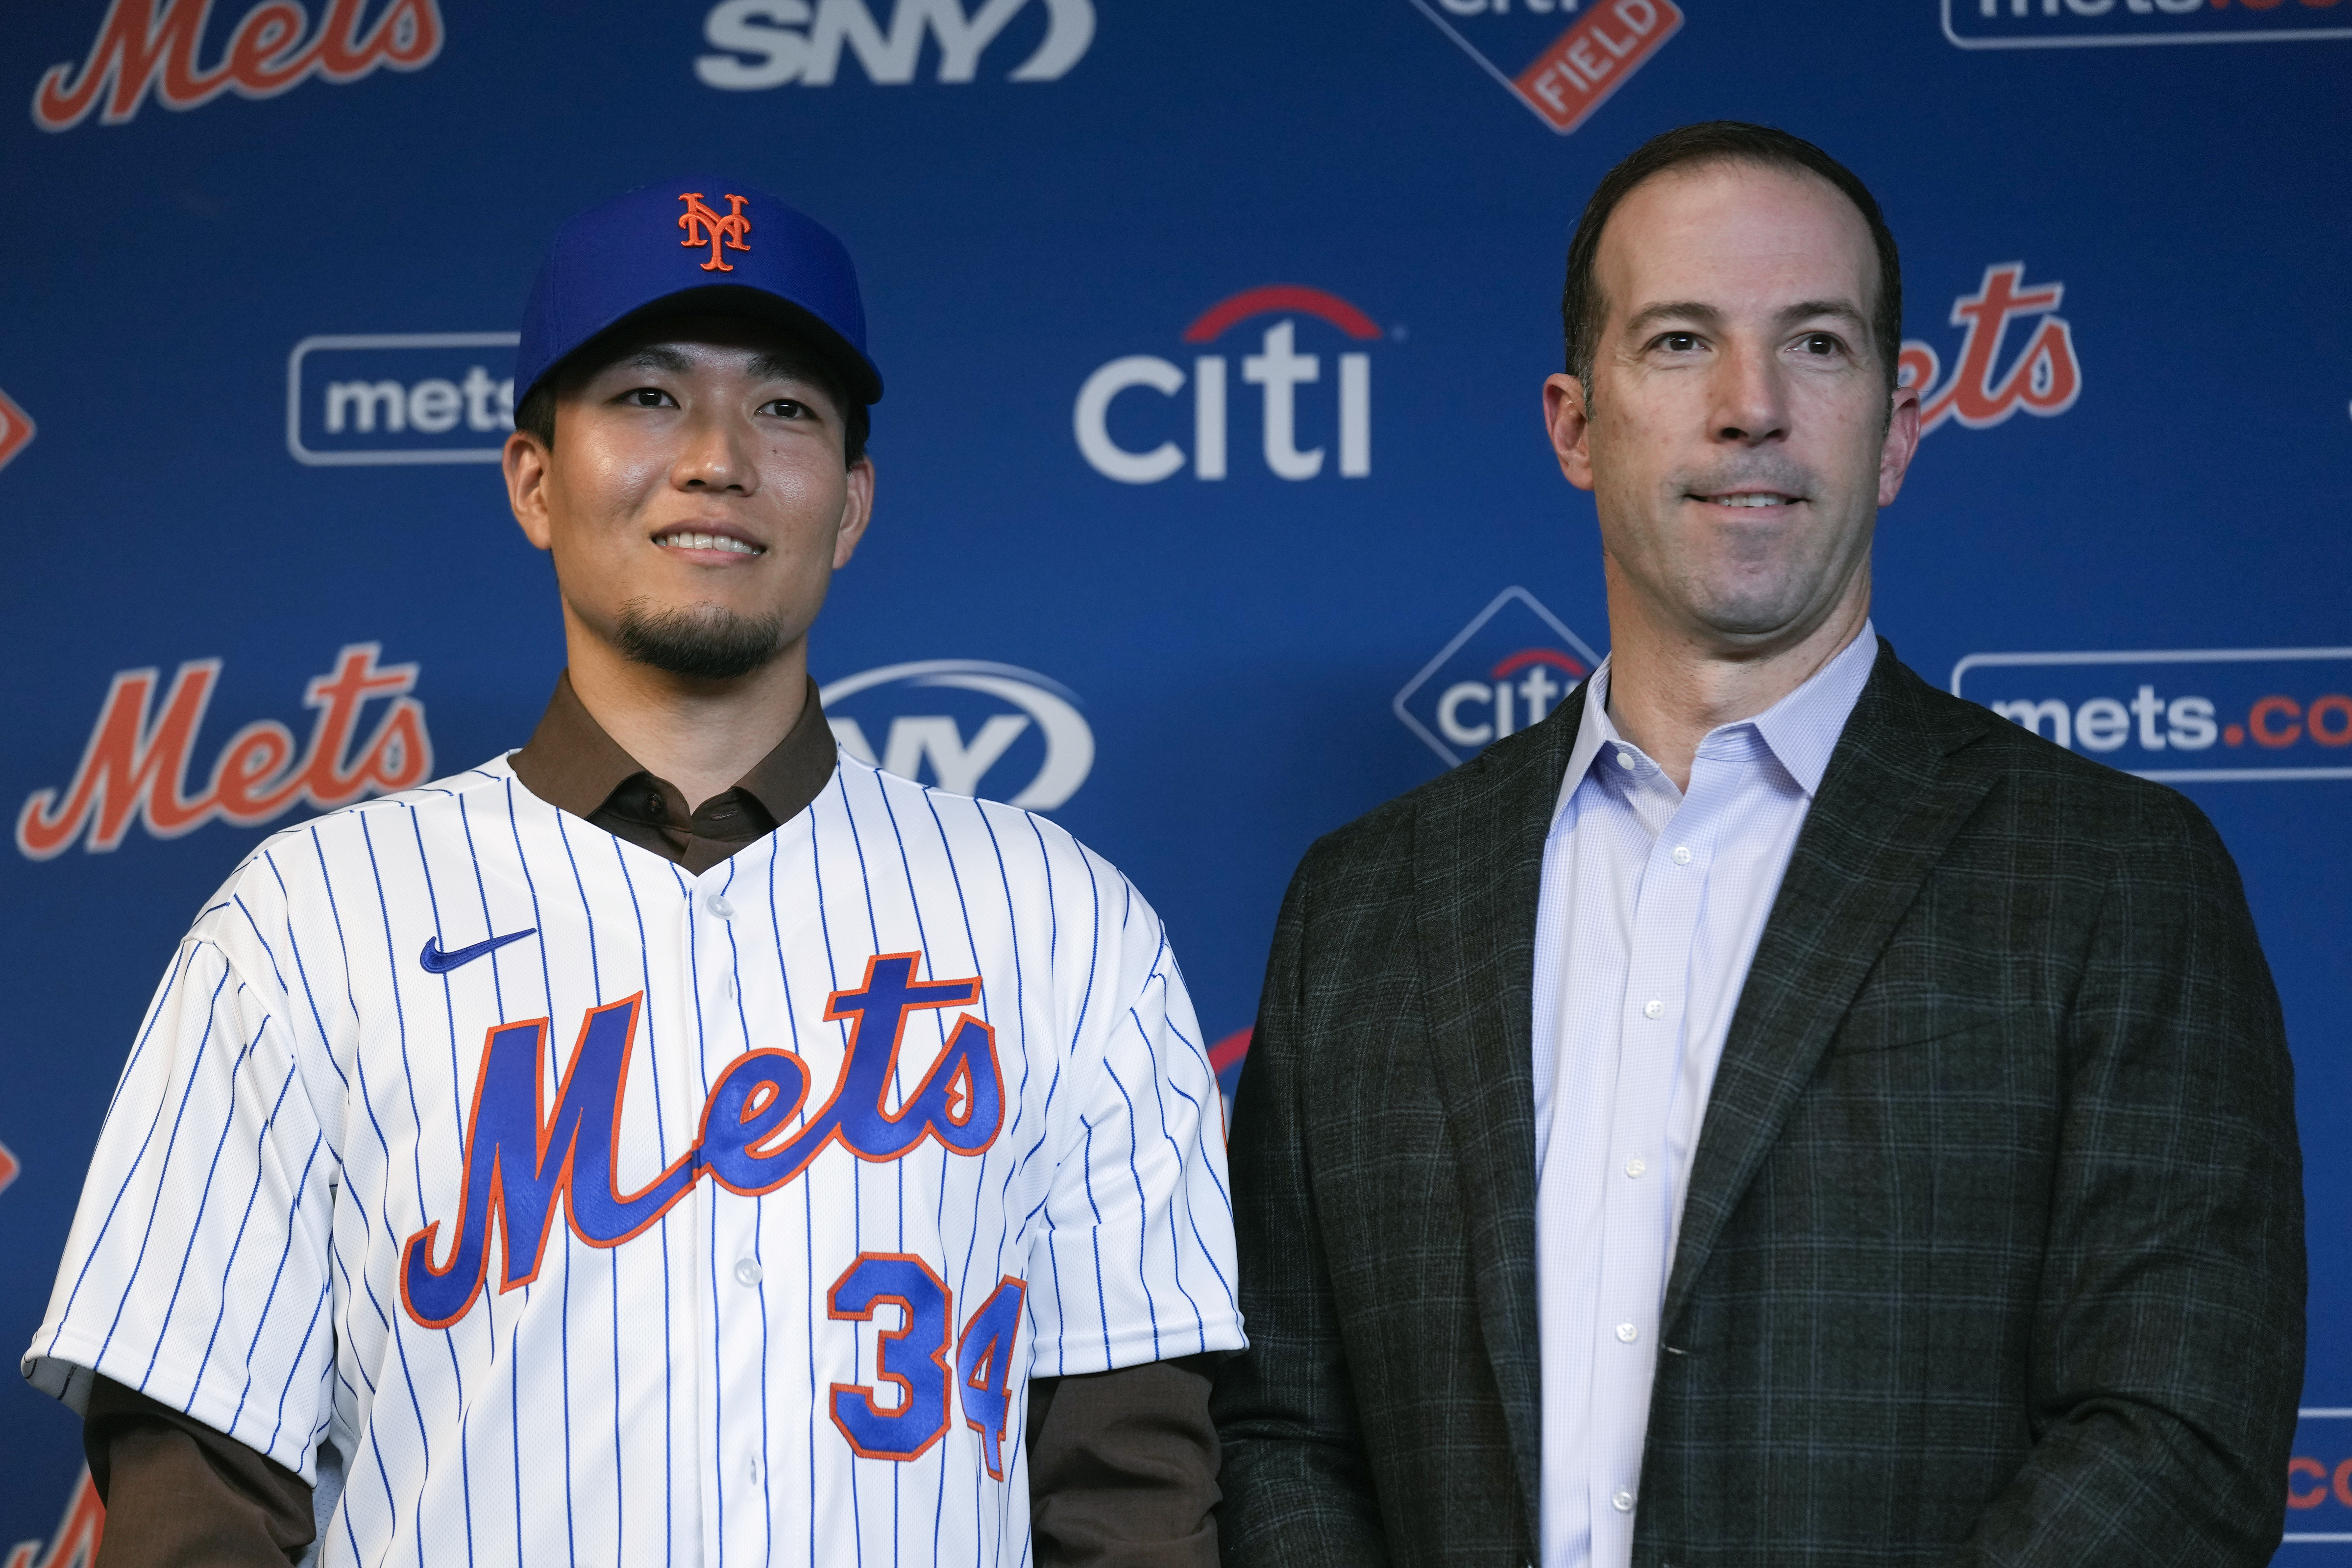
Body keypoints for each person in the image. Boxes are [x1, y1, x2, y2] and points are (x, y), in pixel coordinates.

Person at [26, 176, 1241, 1566]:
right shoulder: (304, 926)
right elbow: (200, 1501)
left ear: (850, 503)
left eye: (785, 407)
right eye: (648, 396)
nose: (717, 456)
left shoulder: (1063, 923)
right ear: (535, 480)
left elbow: (1129, 1484)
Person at [1211, 122, 2303, 1567]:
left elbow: (2177, 1435)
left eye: (1819, 347)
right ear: (1576, 423)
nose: (1751, 407)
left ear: (1900, 427)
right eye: (1677, 342)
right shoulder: (1361, 904)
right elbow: (1281, 1430)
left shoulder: (2118, 878)